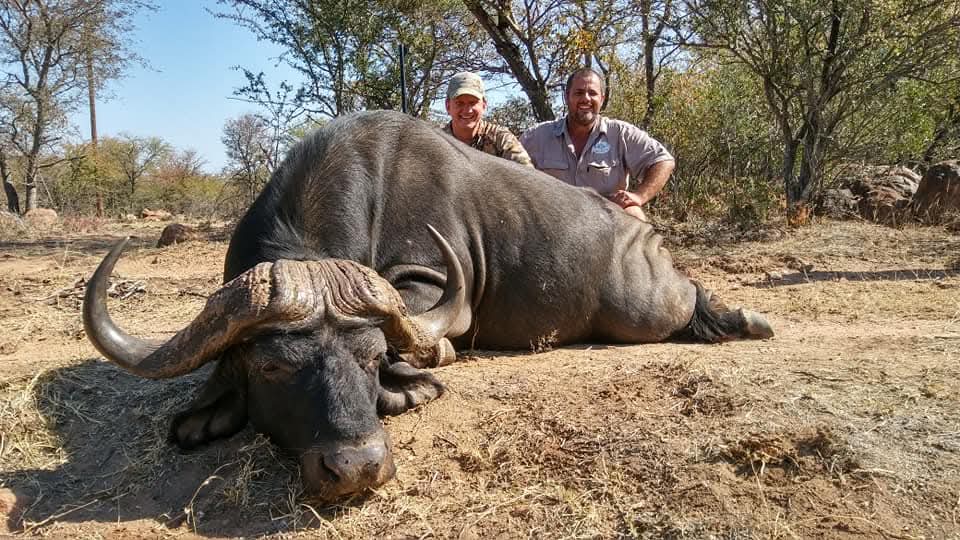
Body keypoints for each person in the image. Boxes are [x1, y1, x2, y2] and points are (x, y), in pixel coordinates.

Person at [520, 68, 675, 221]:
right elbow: (507, 170)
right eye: (579, 93)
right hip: (553, 219)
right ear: (567, 97)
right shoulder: (536, 136)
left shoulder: (621, 133)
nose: (586, 99)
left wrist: (639, 196)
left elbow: (663, 160)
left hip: (606, 218)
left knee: (634, 214)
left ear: (602, 98)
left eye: (592, 93)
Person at [443, 72, 533, 166]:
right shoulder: (437, 141)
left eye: (472, 103)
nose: (467, 110)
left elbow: (528, 176)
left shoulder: (501, 139)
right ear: (448, 106)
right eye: (459, 103)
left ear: (484, 105)